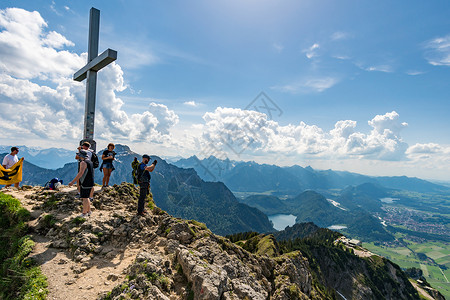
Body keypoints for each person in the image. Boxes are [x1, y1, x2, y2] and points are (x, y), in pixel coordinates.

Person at [69, 150, 94, 218]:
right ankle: (89, 211)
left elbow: (81, 173)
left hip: (85, 182)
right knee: (87, 197)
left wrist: (72, 182)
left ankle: (84, 213)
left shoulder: (83, 163)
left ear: (81, 156)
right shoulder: (90, 162)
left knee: (84, 198)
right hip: (91, 181)